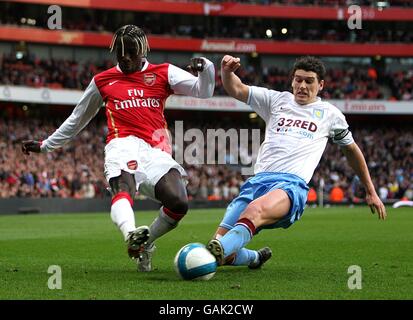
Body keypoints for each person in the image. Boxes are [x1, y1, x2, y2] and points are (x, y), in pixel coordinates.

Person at [21, 25, 215, 272]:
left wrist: (207, 68)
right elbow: (77, 119)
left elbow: (204, 91)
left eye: (131, 52)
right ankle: (130, 234)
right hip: (121, 144)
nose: (124, 57)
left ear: (143, 51)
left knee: (179, 202)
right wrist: (46, 145)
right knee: (124, 187)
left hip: (156, 150)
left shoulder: (163, 72)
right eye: (119, 52)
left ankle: (144, 245)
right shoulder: (102, 80)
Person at [207, 55, 386, 268]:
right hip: (256, 182)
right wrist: (227, 72)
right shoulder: (276, 99)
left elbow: (351, 150)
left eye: (309, 81)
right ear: (292, 80)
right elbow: (236, 89)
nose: (302, 86)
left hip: (290, 186)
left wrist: (371, 191)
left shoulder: (330, 115)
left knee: (254, 211)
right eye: (298, 80)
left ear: (320, 85)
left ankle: (210, 255)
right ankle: (254, 257)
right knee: (227, 250)